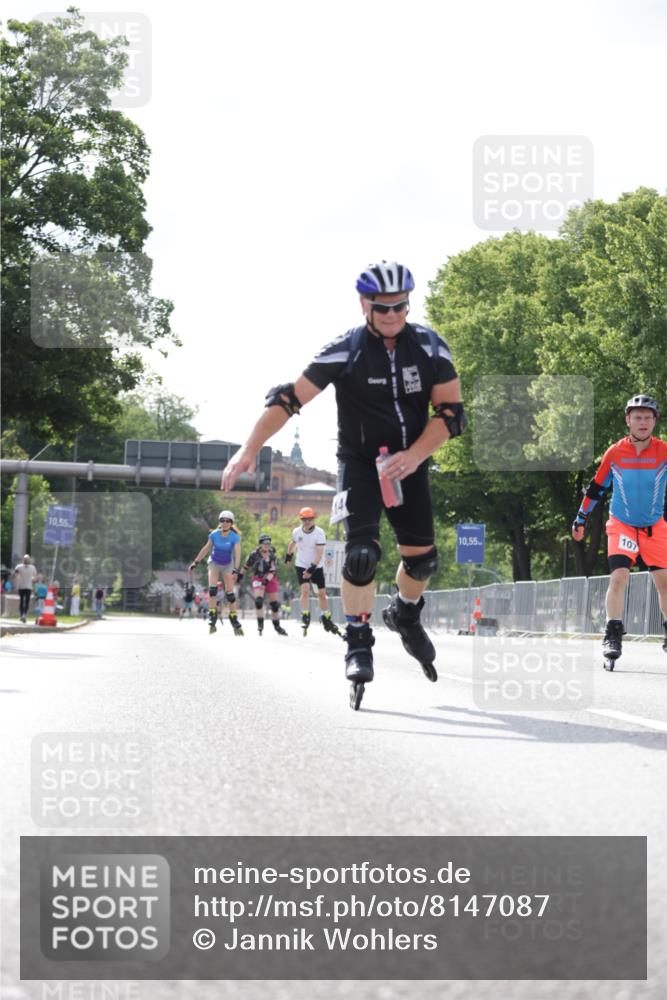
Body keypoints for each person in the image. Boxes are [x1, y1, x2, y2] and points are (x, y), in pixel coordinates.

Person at [221, 260, 465, 702]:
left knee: (423, 562)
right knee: (359, 556)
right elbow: (290, 398)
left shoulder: (430, 347)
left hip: (410, 460)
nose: (393, 316)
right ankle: (357, 640)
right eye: (382, 308)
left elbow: (450, 414)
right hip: (358, 463)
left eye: (400, 307)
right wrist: (249, 449)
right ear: (364, 305)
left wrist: (413, 457)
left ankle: (406, 614)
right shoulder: (344, 349)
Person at [572, 394, 667, 665]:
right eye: (637, 417)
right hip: (622, 526)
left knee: (664, 584)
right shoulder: (615, 452)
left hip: (654, 527)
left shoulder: (663, 451)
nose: (643, 422)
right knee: (618, 578)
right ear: (628, 420)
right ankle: (613, 633)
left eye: (648, 418)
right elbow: (596, 488)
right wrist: (581, 518)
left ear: (654, 422)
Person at [285, 507, 341, 637]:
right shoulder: (297, 531)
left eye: (310, 519)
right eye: (304, 519)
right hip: (301, 564)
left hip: (316, 566)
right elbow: (292, 544)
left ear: (313, 519)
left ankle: (325, 615)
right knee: (304, 590)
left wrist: (312, 568)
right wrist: (288, 556)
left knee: (321, 594)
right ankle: (305, 613)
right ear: (301, 520)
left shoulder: (319, 533)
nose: (307, 522)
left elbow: (320, 552)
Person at [189, 510, 243, 635]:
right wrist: (195, 562)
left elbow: (238, 554)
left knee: (230, 594)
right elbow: (206, 549)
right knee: (212, 590)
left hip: (228, 564)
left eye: (227, 521)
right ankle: (212, 615)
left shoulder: (235, 537)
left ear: (231, 523)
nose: (224, 523)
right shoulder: (214, 534)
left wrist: (236, 569)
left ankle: (233, 618)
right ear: (220, 522)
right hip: (214, 562)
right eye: (222, 520)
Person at [238, 534, 288, 636]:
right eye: (265, 544)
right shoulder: (254, 554)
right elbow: (246, 566)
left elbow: (273, 571)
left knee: (274, 605)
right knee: (259, 601)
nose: (267, 545)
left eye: (268, 544)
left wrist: (266, 581)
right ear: (260, 544)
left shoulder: (272, 555)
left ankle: (277, 626)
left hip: (271, 578)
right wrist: (240, 576)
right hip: (258, 577)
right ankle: (260, 624)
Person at [13, 554, 37, 623]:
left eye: (27, 559)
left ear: (29, 560)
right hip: (21, 586)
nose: (26, 560)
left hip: (28, 587)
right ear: (23, 559)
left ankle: (24, 615)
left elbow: (34, 576)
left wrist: (33, 580)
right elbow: (16, 573)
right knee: (21, 601)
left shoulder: (32, 567)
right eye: (25, 559)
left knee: (26, 601)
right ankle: (21, 615)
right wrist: (18, 577)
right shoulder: (19, 566)